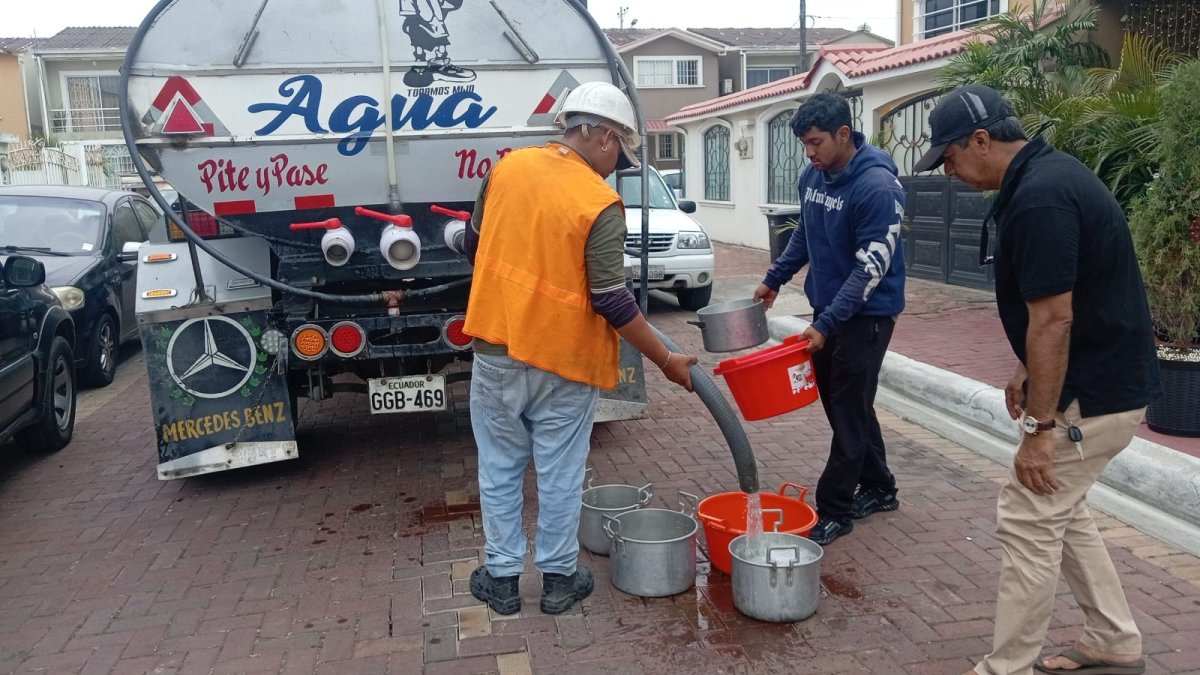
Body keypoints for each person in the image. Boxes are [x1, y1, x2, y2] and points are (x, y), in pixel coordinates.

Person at [913, 84, 1160, 675]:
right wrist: (1028, 364)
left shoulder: (1041, 198)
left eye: (949, 158)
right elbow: (1063, 301)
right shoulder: (1044, 178)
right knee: (1061, 508)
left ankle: (1007, 668)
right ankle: (1113, 639)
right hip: (1105, 377)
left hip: (1095, 392)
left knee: (1027, 516)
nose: (948, 173)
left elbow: (1054, 318)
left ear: (980, 140)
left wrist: (1038, 430)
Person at [461, 81, 698, 616]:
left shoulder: (506, 169)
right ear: (605, 138)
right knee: (560, 471)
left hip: (497, 350)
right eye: (622, 153)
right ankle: (559, 582)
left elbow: (474, 246)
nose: (618, 166)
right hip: (565, 362)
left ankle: (501, 582)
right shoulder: (598, 201)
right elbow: (613, 300)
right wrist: (666, 360)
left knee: (499, 467)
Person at [753, 92, 907, 546]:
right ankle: (880, 487)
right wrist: (776, 277)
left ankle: (835, 508)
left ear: (844, 134)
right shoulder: (814, 175)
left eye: (816, 142)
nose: (810, 153)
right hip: (830, 310)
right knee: (850, 405)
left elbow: (870, 270)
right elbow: (807, 229)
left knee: (848, 407)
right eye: (805, 144)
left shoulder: (877, 188)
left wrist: (826, 324)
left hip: (867, 315)